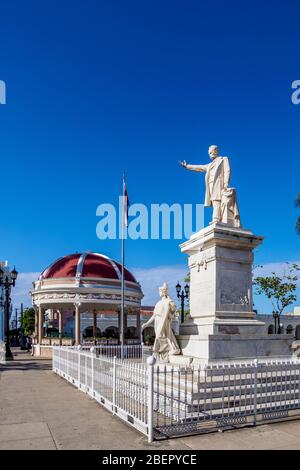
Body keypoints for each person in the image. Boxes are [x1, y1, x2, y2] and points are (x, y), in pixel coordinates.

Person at [180, 145, 241, 227]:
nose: (210, 154)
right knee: (215, 201)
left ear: (216, 151)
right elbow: (199, 168)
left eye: (211, 152)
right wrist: (187, 166)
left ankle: (216, 219)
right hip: (211, 185)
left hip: (219, 183)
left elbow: (227, 170)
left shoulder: (223, 159)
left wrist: (226, 183)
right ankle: (217, 219)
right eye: (209, 153)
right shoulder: (210, 165)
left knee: (217, 200)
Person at [142, 282, 180, 362]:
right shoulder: (158, 303)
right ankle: (161, 352)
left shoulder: (168, 301)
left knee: (160, 336)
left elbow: (173, 309)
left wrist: (170, 303)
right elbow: (154, 315)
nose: (159, 293)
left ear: (163, 292)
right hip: (157, 322)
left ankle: (166, 350)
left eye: (160, 291)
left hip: (164, 321)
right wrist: (147, 323)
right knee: (158, 336)